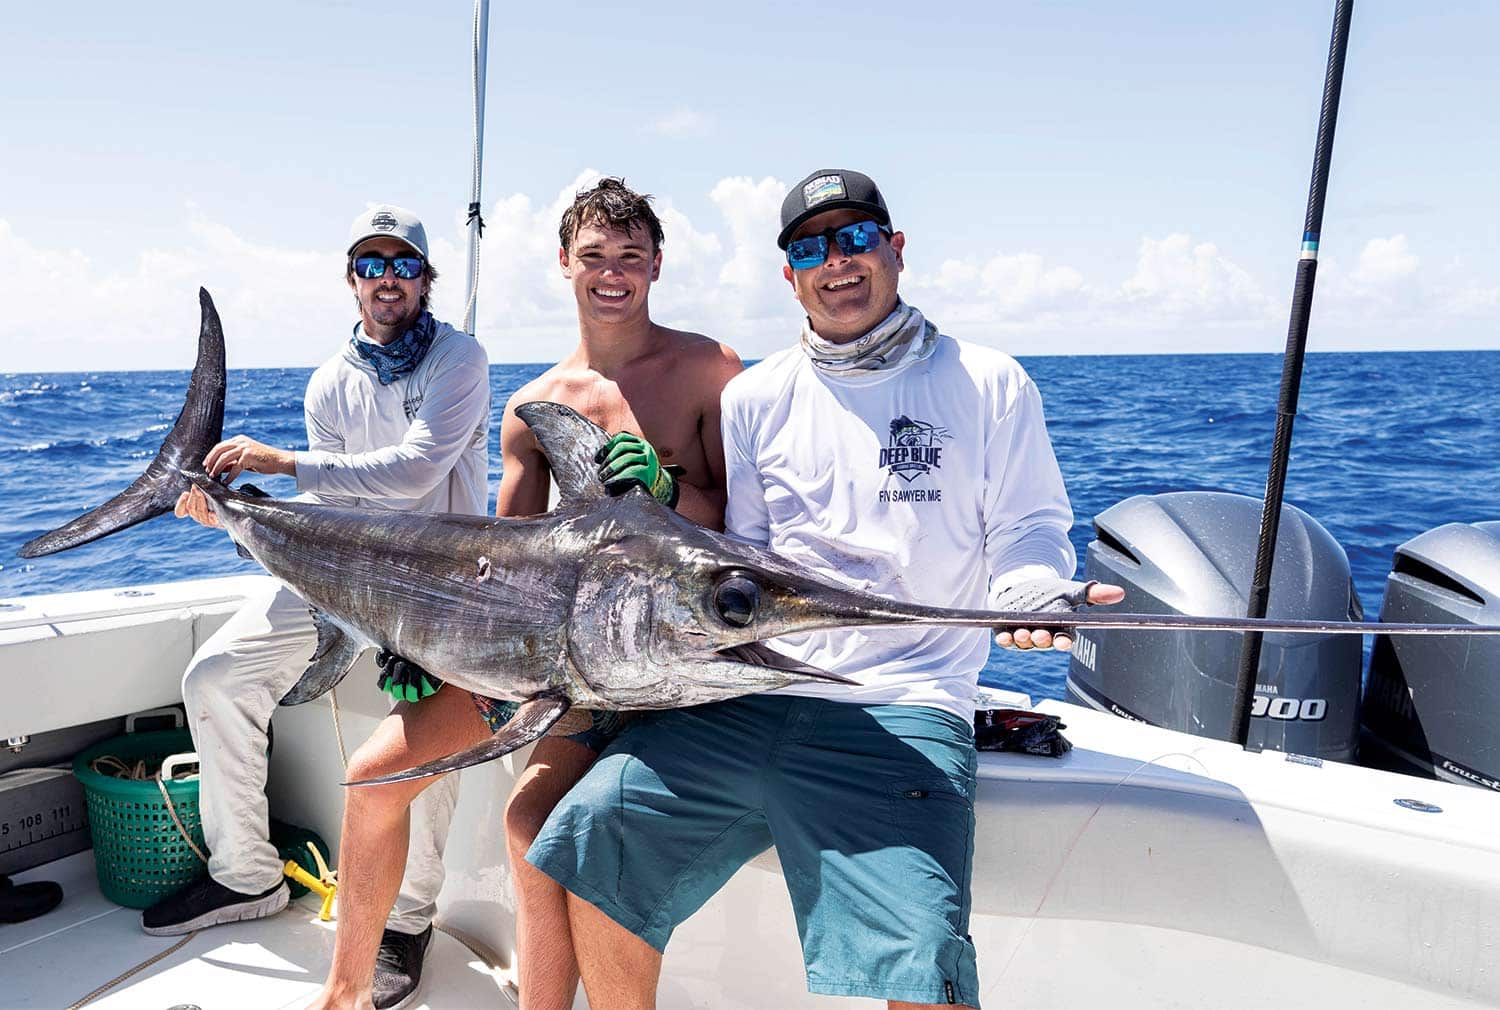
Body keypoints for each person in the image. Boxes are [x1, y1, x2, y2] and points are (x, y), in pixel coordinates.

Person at [525, 169, 1126, 1009]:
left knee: (924, 952)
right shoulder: (757, 397)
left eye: (855, 238)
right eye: (811, 247)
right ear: (789, 275)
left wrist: (1028, 593)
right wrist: (664, 506)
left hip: (905, 705)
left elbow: (1028, 528)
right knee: (587, 842)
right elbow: (747, 556)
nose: (836, 261)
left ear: (895, 249)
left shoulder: (988, 381)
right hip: (756, 685)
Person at [305, 177, 742, 1010]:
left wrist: (667, 494)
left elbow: (744, 526)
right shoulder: (532, 405)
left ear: (657, 264)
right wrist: (421, 641)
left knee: (534, 826)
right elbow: (502, 569)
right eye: (593, 258)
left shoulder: (708, 368)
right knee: (375, 780)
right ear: (563, 265)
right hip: (564, 667)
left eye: (630, 257)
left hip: (677, 666)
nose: (612, 274)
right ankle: (341, 996)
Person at [151, 204, 491, 1010]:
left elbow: (411, 475)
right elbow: (337, 505)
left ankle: (405, 924)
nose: (386, 279)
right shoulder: (330, 382)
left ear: (425, 278)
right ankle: (246, 874)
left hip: (439, 594)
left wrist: (280, 463)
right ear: (351, 278)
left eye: (402, 264)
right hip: (341, 574)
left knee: (421, 747)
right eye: (370, 264)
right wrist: (237, 513)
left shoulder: (460, 360)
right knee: (216, 677)